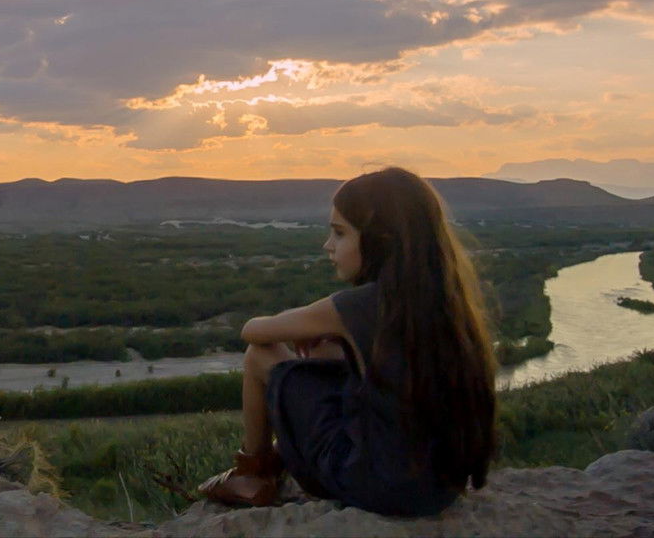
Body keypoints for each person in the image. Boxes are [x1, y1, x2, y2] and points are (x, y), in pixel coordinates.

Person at [196, 167, 497, 516]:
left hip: (379, 486)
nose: (328, 246)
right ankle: (270, 463)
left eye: (339, 234)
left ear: (379, 240)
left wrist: (312, 329)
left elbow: (254, 331)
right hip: (437, 489)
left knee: (261, 356)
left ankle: (253, 473)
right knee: (329, 354)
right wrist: (335, 341)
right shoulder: (445, 302)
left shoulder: (359, 305)